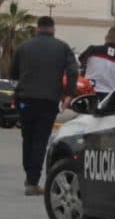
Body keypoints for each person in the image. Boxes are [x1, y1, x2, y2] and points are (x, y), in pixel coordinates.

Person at [11, 16, 79, 196]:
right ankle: (32, 182)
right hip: (48, 100)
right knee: (40, 140)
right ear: (53, 29)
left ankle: (29, 176)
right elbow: (73, 70)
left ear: (37, 28)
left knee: (28, 137)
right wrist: (68, 94)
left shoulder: (24, 47)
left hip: (25, 99)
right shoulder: (62, 47)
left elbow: (13, 72)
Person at [79, 26, 115, 101]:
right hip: (108, 97)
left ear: (106, 37)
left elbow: (81, 60)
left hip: (88, 92)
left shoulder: (93, 49)